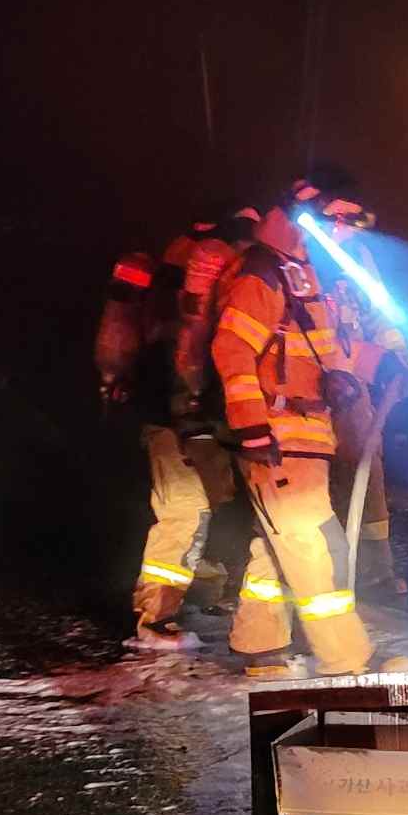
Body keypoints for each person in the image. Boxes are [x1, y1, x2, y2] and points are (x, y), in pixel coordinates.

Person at [211, 177, 381, 677]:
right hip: (279, 438)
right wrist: (253, 428)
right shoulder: (265, 272)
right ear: (316, 218)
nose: (349, 233)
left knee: (278, 543)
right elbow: (231, 348)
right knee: (314, 544)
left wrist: (361, 374)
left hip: (304, 435)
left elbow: (320, 354)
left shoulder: (303, 273)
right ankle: (345, 660)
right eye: (343, 220)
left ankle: (260, 647)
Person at [119, 209, 252, 650]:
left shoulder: (179, 284)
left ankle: (194, 597)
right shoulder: (202, 286)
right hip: (174, 419)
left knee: (209, 504)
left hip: (192, 416)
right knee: (183, 509)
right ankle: (155, 618)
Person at [321, 230, 408, 598]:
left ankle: (375, 572)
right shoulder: (296, 268)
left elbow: (378, 322)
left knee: (367, 471)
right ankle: (330, 574)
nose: (347, 227)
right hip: (311, 397)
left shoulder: (352, 257)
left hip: (351, 393)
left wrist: (398, 361)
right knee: (313, 490)